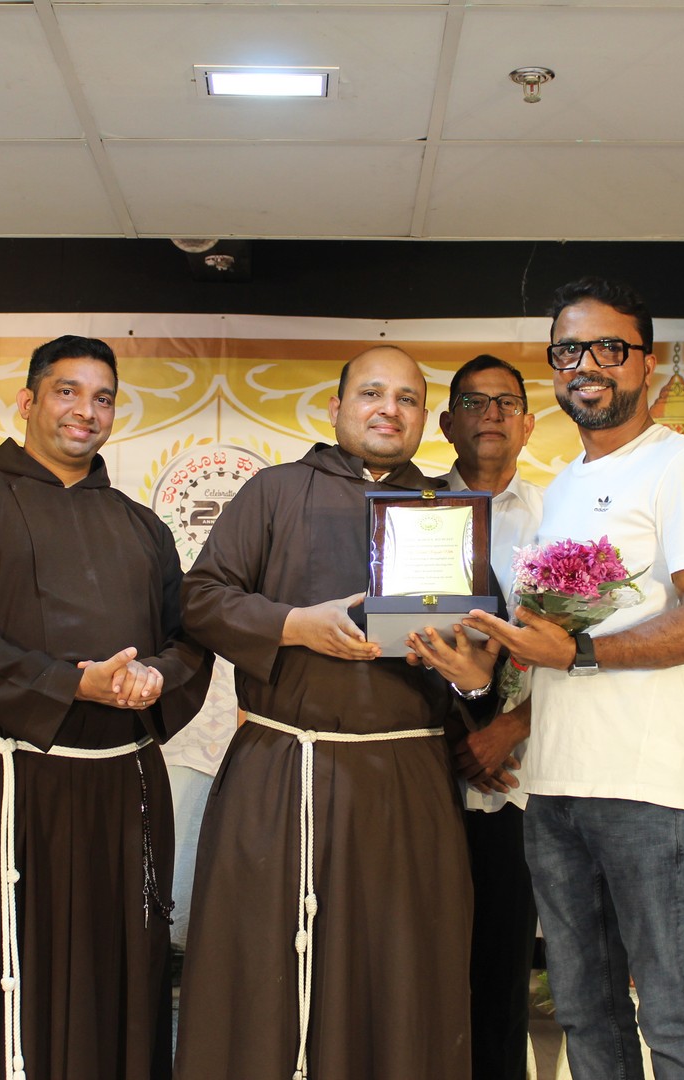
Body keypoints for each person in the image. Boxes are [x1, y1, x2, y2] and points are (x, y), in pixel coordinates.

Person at [421, 278, 684, 1079]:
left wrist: (582, 655)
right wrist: (486, 672)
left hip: (643, 790)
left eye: (609, 347)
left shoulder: (683, 467)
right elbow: (547, 643)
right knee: (583, 1012)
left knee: (671, 1010)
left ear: (646, 361)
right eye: (569, 350)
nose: (587, 365)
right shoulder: (563, 487)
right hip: (552, 787)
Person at [0, 335, 211, 1080]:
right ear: (28, 401)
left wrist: (153, 678)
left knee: (119, 971)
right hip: (10, 780)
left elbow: (189, 641)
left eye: (102, 398)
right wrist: (68, 684)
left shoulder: (143, 526)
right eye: (67, 391)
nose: (86, 411)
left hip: (122, 790)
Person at [174, 345, 473, 1080]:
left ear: (422, 418)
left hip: (405, 780)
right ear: (336, 407)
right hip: (283, 770)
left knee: (400, 969)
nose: (388, 410)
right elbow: (200, 599)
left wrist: (473, 675)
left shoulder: (448, 511)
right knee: (264, 965)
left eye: (406, 398)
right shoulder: (275, 492)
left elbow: (477, 653)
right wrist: (293, 625)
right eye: (371, 393)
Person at [428, 354, 544, 1080]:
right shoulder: (411, 513)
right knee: (419, 970)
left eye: (507, 403)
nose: (493, 414)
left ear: (529, 425)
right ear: (446, 424)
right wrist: (458, 736)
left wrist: (512, 727)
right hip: (423, 776)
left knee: (501, 977)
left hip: (517, 783)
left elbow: (581, 650)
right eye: (474, 402)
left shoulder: (562, 520)